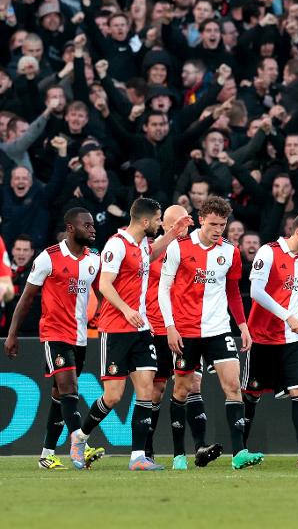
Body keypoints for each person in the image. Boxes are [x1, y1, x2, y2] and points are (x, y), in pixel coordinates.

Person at [74, 197, 192, 471]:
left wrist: (173, 233)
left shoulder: (140, 244)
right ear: (145, 221)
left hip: (141, 329)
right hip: (116, 329)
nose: (161, 224)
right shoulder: (116, 244)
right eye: (159, 220)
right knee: (113, 396)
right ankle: (80, 437)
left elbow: (151, 254)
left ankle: (138, 456)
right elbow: (104, 284)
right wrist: (127, 310)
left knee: (146, 390)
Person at [158, 196, 264, 470]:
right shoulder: (179, 248)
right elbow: (163, 289)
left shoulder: (230, 251)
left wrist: (242, 326)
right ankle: (179, 454)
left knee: (233, 386)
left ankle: (239, 453)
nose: (218, 229)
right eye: (213, 224)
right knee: (182, 390)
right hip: (186, 331)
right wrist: (170, 326)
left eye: (223, 224)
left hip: (218, 329)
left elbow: (232, 292)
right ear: (201, 219)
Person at [4, 208, 103, 470]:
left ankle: (47, 454)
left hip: (80, 337)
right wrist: (12, 334)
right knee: (70, 388)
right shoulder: (48, 258)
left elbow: (102, 292)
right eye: (87, 225)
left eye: (93, 225)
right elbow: (26, 298)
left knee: (60, 397)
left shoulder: (94, 259)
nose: (93, 229)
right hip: (54, 334)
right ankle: (80, 444)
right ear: (71, 228)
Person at [242, 213, 298, 467]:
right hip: (262, 337)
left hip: (294, 339)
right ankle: (240, 450)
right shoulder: (268, 252)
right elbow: (256, 292)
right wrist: (286, 316)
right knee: (251, 395)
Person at [145, 204, 220, 467]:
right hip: (156, 328)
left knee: (191, 385)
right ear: (163, 225)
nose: (181, 228)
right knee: (156, 389)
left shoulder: (192, 250)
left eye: (185, 223)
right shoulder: (152, 250)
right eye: (175, 223)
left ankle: (200, 446)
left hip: (187, 328)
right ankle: (146, 450)